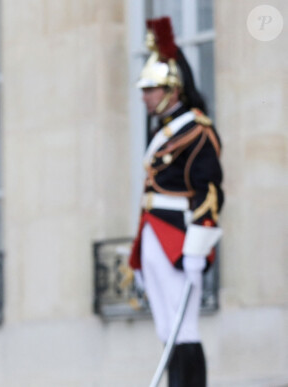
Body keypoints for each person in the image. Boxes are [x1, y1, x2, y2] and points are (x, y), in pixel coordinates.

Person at [128, 16, 224, 387]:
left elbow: (209, 190)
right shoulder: (163, 131)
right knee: (167, 327)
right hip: (155, 232)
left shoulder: (197, 129)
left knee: (185, 328)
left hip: (180, 239)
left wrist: (198, 246)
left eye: (151, 89)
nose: (145, 96)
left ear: (172, 89)